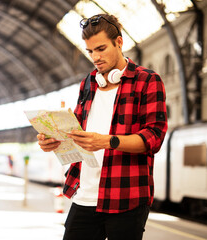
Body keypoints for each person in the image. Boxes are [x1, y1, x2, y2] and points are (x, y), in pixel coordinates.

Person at [37, 13, 168, 240]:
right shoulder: (88, 83)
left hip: (126, 199)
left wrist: (106, 141)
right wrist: (54, 141)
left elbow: (153, 138)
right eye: (90, 52)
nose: (95, 57)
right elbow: (75, 132)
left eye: (100, 49)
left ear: (119, 42)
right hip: (84, 196)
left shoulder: (147, 80)